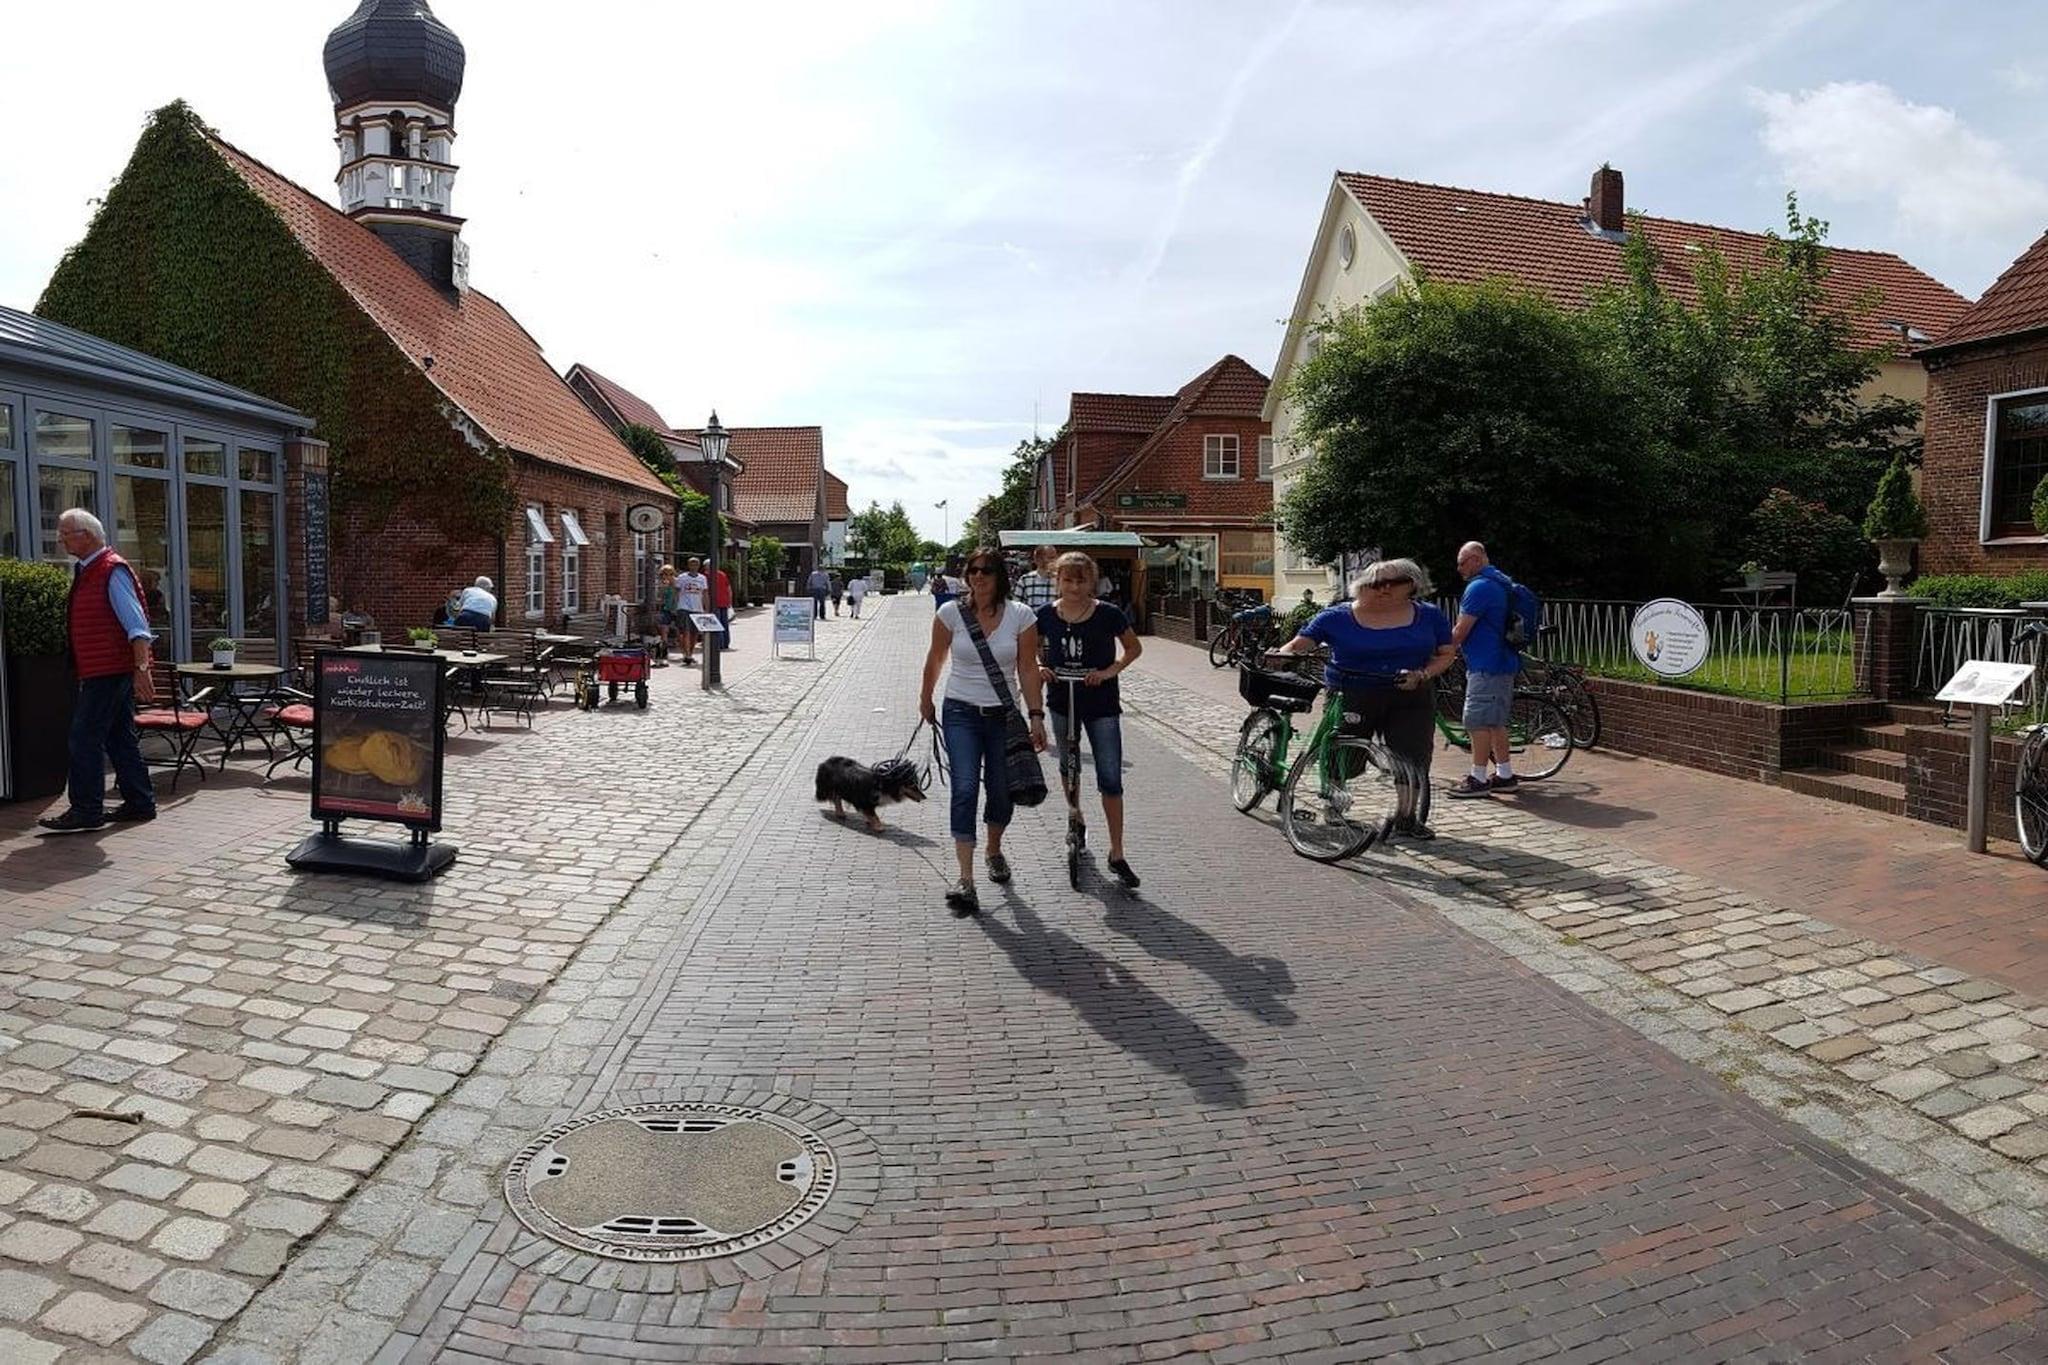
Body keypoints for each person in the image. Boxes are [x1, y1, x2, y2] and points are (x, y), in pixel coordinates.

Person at [1269, 558, 1455, 838]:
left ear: (1412, 585)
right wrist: (1282, 655)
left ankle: (1406, 818)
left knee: (1412, 756)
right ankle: (1334, 808)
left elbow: (1446, 654)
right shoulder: (1336, 617)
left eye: (1395, 582)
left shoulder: (1429, 616)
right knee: (1343, 753)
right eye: (1376, 583)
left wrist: (1423, 674)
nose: (1385, 588)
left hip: (1410, 694)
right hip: (1352, 693)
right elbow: (1300, 643)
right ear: (1362, 585)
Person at [919, 548, 1046, 915]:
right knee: (964, 789)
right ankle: (966, 877)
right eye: (973, 570)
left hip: (1003, 715)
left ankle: (993, 848)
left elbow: (1027, 668)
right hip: (960, 710)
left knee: (1001, 792)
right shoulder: (950, 613)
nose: (978, 576)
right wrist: (925, 697)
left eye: (986, 571)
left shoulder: (1021, 615)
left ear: (999, 576)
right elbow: (936, 657)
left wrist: (1036, 716)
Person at [39, 509, 158, 833]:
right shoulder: (91, 570)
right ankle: (139, 802)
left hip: (110, 669)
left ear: (88, 536)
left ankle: (86, 809)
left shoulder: (110, 570)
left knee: (84, 738)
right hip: (104, 668)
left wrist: (142, 668)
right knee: (119, 737)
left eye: (66, 533)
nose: (60, 539)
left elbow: (137, 627)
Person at [1035, 551, 1144, 885]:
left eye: (1081, 580)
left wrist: (1109, 671)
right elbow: (1032, 650)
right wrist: (1041, 666)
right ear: (1057, 580)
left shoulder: (1108, 613)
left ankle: (1117, 852)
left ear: (1091, 582)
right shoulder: (1045, 614)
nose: (1074, 587)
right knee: (1069, 766)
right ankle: (1076, 817)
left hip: (1102, 703)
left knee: (1110, 776)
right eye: (1067, 579)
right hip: (1062, 700)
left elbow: (1133, 648)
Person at [1449, 540, 1518, 797]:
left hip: (1486, 664)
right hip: (1501, 662)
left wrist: (1439, 650)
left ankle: (1478, 779)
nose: (1459, 568)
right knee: (1494, 722)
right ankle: (1505, 775)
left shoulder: (1479, 587)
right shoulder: (1500, 582)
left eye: (1462, 563)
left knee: (1476, 721)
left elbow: (1461, 630)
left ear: (1476, 559)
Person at [677, 558, 710, 664]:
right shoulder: (682, 577)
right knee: (685, 632)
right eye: (692, 564)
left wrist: (706, 608)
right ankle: (686, 654)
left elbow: (705, 593)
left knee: (694, 633)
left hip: (697, 608)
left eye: (696, 564)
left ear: (699, 566)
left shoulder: (702, 578)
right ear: (688, 565)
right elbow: (677, 591)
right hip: (684, 607)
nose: (694, 566)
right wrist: (675, 606)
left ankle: (690, 653)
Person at [1015, 545, 1058, 610]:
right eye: (1051, 558)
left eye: (1055, 558)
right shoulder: (1025, 580)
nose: (1055, 561)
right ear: (1038, 559)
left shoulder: (1060, 580)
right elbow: (1018, 606)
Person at [655, 564, 681, 654]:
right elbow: (661, 597)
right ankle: (664, 648)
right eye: (664, 574)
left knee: (679, 629)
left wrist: (675, 608)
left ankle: (682, 648)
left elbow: (677, 596)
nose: (666, 576)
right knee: (664, 628)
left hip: (677, 608)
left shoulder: (677, 582)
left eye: (669, 574)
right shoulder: (663, 583)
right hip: (666, 608)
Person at [712, 564, 734, 650]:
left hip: (715, 603)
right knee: (724, 623)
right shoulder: (722, 574)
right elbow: (729, 588)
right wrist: (730, 601)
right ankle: (726, 642)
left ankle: (720, 643)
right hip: (724, 602)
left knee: (717, 623)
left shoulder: (707, 575)